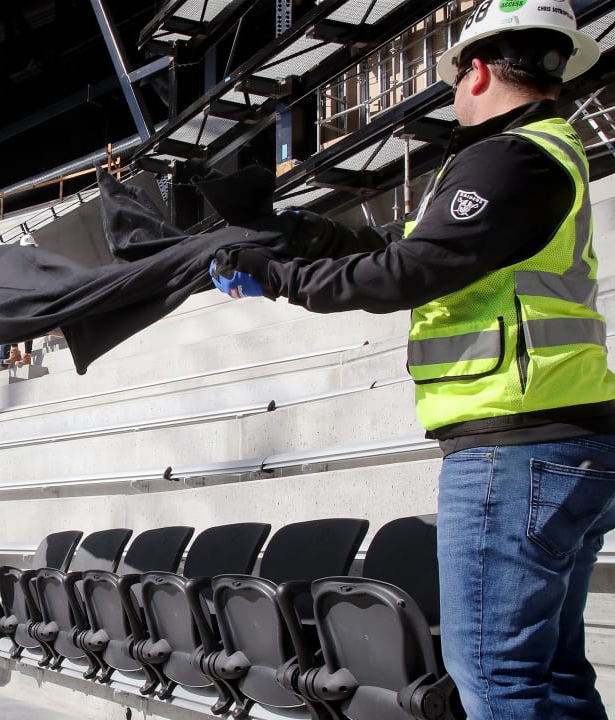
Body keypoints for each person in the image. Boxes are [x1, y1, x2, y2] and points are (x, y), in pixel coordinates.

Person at [209, 3, 614, 717]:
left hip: (513, 445)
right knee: (551, 673)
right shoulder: (540, 154)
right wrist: (300, 234)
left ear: (479, 71)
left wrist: (279, 280)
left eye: (457, 76)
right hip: (559, 439)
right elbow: (399, 247)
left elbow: (409, 270)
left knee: (493, 675)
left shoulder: (510, 157)